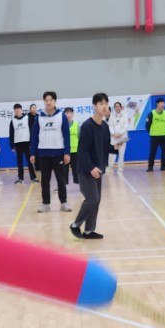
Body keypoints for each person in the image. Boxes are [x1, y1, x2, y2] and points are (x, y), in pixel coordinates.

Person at [70, 93, 113, 240]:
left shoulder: (105, 127)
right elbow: (82, 151)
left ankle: (89, 231)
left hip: (98, 169)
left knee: (97, 200)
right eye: (100, 103)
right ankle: (75, 225)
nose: (104, 106)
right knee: (92, 198)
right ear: (94, 106)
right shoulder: (87, 126)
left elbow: (105, 147)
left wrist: (115, 148)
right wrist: (91, 168)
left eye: (106, 103)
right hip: (85, 169)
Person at [31, 90, 72, 214]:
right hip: (43, 154)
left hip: (58, 153)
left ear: (55, 101)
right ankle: (45, 204)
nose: (48, 102)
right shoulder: (39, 117)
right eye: (46, 100)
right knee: (45, 180)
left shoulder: (61, 116)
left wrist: (67, 152)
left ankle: (63, 203)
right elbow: (34, 136)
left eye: (51, 100)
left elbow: (66, 135)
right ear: (44, 102)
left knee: (61, 179)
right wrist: (33, 153)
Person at [8, 103, 35, 184]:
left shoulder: (27, 118)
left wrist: (32, 143)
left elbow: (32, 130)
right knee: (19, 162)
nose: (17, 111)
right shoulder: (12, 121)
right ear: (14, 111)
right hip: (18, 144)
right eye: (15, 110)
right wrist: (12, 145)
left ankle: (33, 178)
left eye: (18, 109)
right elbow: (11, 134)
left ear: (21, 110)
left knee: (30, 161)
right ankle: (20, 178)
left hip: (27, 143)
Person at [146, 96, 165, 171]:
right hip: (154, 136)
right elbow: (147, 125)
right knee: (153, 152)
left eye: (164, 103)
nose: (163, 104)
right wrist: (152, 132)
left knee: (164, 152)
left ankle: (163, 166)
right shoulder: (151, 113)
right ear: (157, 104)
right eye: (161, 103)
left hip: (164, 135)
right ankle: (150, 167)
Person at [109, 100, 132, 173]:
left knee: (121, 153)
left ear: (121, 107)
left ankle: (120, 167)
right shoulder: (111, 116)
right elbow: (110, 126)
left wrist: (120, 133)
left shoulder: (125, 116)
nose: (117, 108)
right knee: (112, 153)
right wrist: (113, 133)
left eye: (118, 106)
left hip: (123, 137)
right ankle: (110, 167)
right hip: (113, 137)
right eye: (116, 106)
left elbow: (125, 126)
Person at [66, 107, 81, 183]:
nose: (68, 115)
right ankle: (64, 183)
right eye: (67, 113)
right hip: (65, 150)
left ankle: (77, 182)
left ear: (72, 114)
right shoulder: (62, 124)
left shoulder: (76, 124)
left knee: (75, 168)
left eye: (70, 113)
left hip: (75, 150)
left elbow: (79, 137)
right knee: (64, 168)